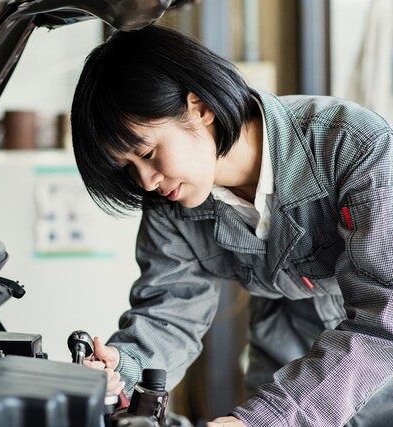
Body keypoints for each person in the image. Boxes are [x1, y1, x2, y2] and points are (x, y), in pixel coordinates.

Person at [69, 24, 393, 427]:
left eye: (148, 152)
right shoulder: (171, 200)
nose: (146, 181)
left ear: (199, 108)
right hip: (286, 349)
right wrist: (128, 363)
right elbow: (171, 312)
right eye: (128, 169)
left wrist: (265, 419)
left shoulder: (354, 146)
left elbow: (385, 322)